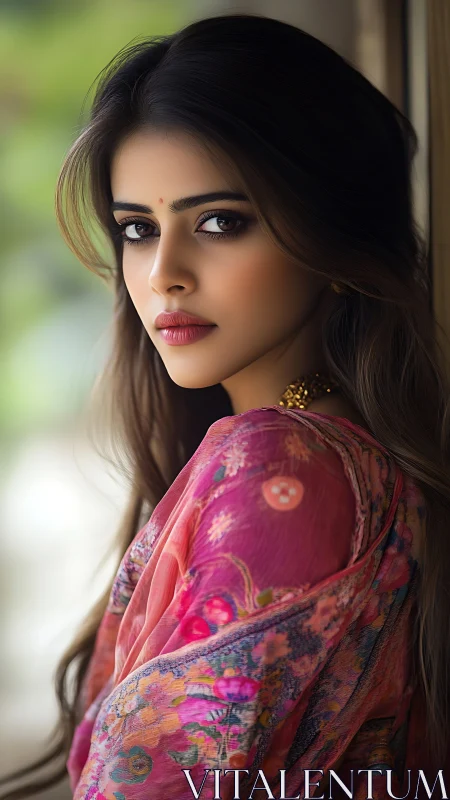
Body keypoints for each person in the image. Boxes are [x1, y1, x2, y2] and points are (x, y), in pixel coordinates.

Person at [1, 11, 450, 800]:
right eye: (137, 229)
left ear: (336, 241)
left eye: (218, 223)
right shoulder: (362, 461)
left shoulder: (281, 469)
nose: (163, 273)